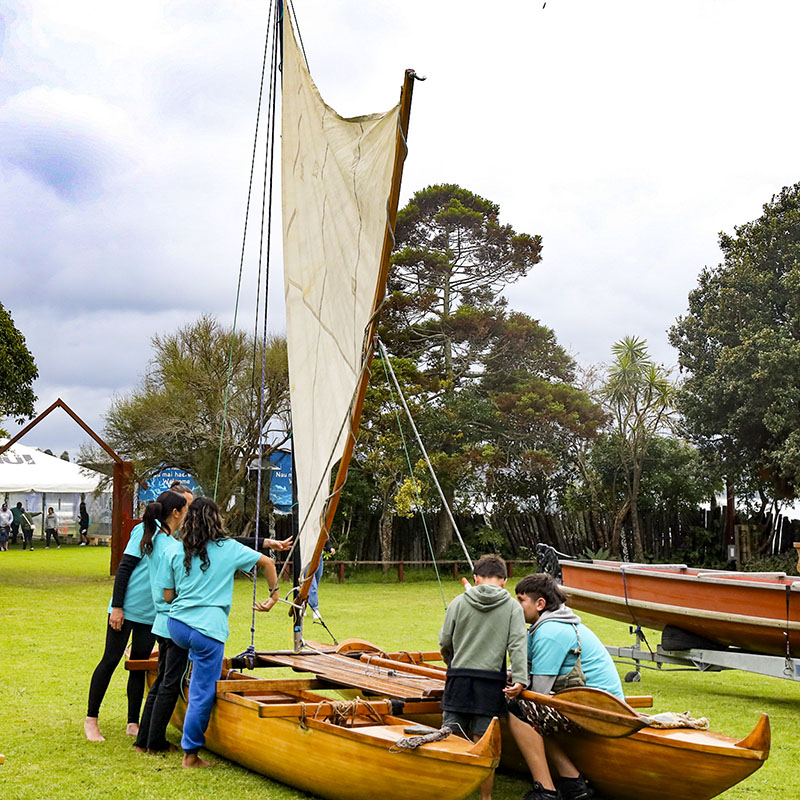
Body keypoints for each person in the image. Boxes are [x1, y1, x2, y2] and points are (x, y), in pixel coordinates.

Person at [161, 496, 279, 768]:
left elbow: (168, 596)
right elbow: (268, 563)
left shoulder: (177, 550)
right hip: (208, 631)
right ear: (217, 520)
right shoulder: (228, 548)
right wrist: (272, 597)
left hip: (177, 626)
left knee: (185, 672)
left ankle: (173, 715)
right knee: (203, 691)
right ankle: (190, 755)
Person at [508, 573, 625, 800]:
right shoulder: (543, 627)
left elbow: (539, 691)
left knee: (519, 709)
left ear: (540, 604)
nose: (517, 606)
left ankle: (546, 790)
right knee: (530, 711)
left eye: (521, 600)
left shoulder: (551, 632)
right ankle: (573, 784)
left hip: (601, 710)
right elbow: (522, 669)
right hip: (584, 703)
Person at [84, 491, 189, 742]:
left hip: (149, 613)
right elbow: (124, 568)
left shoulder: (170, 538)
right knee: (110, 660)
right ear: (174, 512)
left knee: (139, 665)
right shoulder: (145, 531)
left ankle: (133, 722)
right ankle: (91, 720)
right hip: (126, 609)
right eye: (186, 509)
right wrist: (117, 608)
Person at [438, 554, 528, 800]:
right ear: (505, 581)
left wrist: (451, 662)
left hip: (458, 678)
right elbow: (518, 645)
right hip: (490, 683)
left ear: (476, 578)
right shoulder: (512, 607)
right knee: (484, 744)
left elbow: (445, 640)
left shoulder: (458, 602)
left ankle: (451, 792)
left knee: (451, 738)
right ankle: (485, 797)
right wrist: (520, 679)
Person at [135, 487, 194, 754]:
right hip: (173, 620)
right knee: (170, 682)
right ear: (175, 513)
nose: (186, 516)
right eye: (185, 511)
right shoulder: (172, 547)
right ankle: (155, 742)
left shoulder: (153, 540)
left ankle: (144, 740)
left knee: (161, 682)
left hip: (160, 620)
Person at [307, 539, 335, 620]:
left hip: (319, 558)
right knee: (312, 584)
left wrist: (330, 548)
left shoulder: (320, 529)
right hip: (307, 559)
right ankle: (315, 609)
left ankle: (303, 603)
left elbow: (325, 540)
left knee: (317, 579)